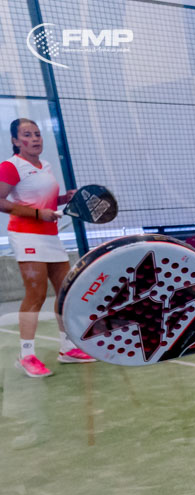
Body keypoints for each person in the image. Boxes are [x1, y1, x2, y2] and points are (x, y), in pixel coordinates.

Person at [0, 117, 94, 377]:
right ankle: (26, 355)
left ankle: (68, 348)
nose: (34, 139)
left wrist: (64, 198)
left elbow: (45, 202)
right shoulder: (11, 166)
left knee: (65, 292)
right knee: (36, 294)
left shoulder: (46, 166)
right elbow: (1, 200)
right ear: (15, 141)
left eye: (37, 134)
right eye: (27, 135)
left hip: (50, 236)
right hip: (26, 236)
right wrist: (37, 214)